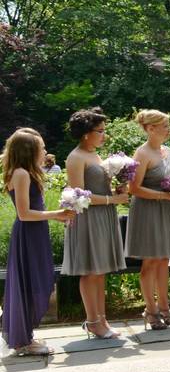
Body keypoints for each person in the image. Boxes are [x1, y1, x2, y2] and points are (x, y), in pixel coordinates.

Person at [1, 129, 74, 357]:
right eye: (41, 147)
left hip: (35, 232)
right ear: (28, 150)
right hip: (28, 233)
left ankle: (25, 335)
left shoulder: (25, 172)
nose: (44, 151)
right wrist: (58, 213)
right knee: (29, 283)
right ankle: (23, 341)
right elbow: (24, 214)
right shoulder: (21, 173)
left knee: (34, 280)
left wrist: (60, 215)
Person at [63, 107, 127, 339]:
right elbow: (80, 195)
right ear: (85, 134)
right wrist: (113, 198)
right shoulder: (75, 157)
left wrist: (119, 188)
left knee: (100, 272)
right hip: (87, 218)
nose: (104, 135)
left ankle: (102, 319)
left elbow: (100, 188)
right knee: (90, 271)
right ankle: (92, 321)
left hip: (104, 216)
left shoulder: (96, 155)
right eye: (100, 131)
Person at [126, 110, 170, 330]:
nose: (169, 129)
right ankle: (150, 310)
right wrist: (164, 195)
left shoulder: (167, 151)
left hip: (166, 209)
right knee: (150, 261)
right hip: (147, 211)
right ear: (151, 129)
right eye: (165, 125)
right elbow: (134, 188)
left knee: (163, 260)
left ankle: (164, 308)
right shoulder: (141, 154)